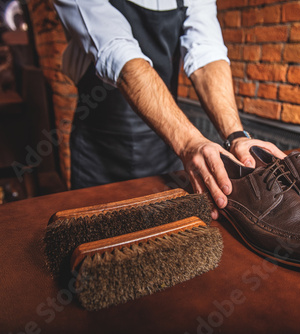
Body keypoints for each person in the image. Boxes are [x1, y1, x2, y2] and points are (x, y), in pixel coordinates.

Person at [53, 0, 285, 219]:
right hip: (99, 151)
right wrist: (189, 142)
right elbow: (118, 54)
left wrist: (236, 136)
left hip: (166, 147)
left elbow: (206, 55)